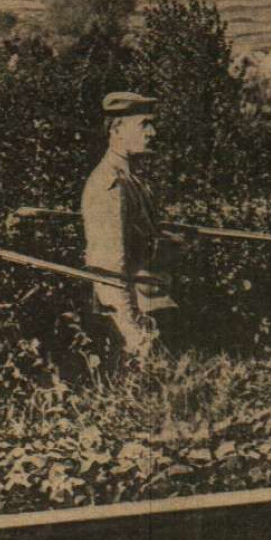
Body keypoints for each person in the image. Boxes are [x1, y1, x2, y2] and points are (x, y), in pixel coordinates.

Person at [81, 91, 177, 361]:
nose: (153, 132)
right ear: (117, 130)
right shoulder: (108, 184)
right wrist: (133, 333)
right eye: (144, 124)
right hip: (135, 320)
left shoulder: (130, 179)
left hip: (153, 304)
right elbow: (107, 268)